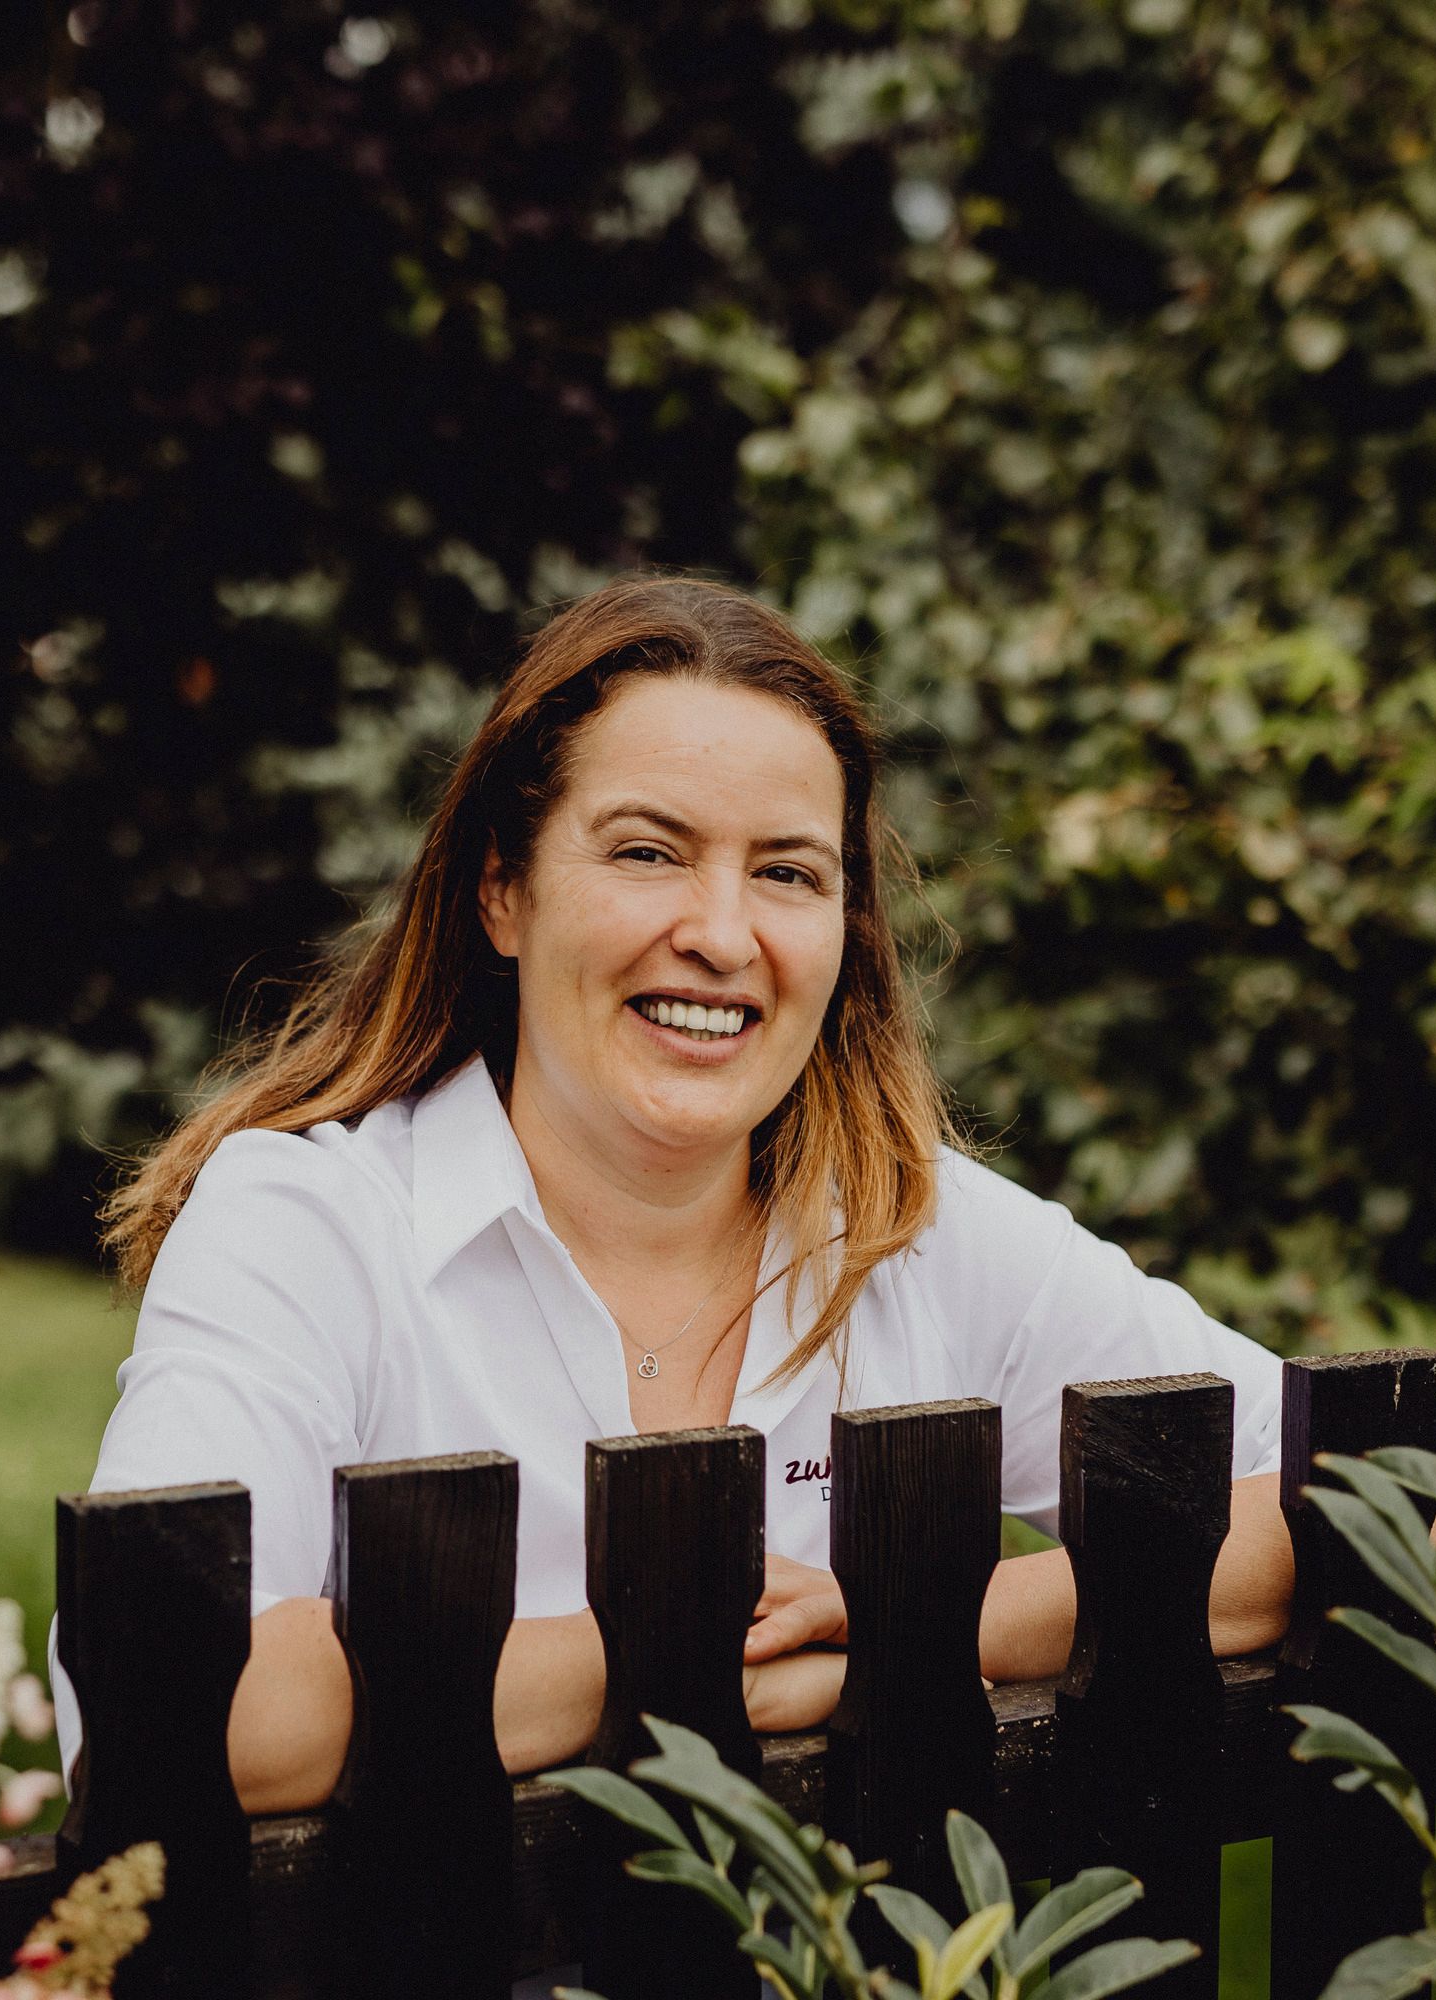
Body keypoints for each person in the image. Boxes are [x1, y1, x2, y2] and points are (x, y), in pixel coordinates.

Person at [63, 576, 1293, 1814]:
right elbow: (168, 1703)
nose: (721, 931)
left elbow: (1351, 1504)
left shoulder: (915, 1231)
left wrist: (917, 1618)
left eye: (789, 873)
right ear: (504, 889)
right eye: (649, 851)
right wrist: (682, 1664)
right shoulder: (309, 1227)